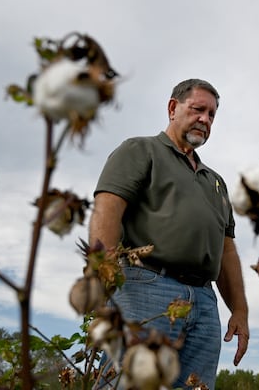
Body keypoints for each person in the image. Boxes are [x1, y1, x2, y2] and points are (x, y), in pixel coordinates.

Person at [89, 78, 249, 388]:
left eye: (212, 114)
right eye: (197, 109)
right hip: (146, 287)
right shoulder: (140, 150)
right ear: (173, 108)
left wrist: (239, 310)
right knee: (131, 381)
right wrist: (102, 272)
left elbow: (226, 250)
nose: (205, 119)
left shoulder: (215, 181)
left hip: (204, 300)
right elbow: (108, 207)